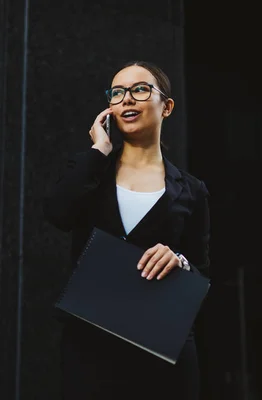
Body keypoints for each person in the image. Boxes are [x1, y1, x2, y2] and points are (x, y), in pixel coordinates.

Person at [43, 60, 211, 400]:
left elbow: (201, 268)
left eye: (140, 89)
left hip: (161, 350)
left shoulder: (191, 190)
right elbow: (58, 214)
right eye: (117, 92)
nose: (127, 99)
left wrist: (178, 260)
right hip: (90, 347)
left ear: (166, 106)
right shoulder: (90, 170)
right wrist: (98, 151)